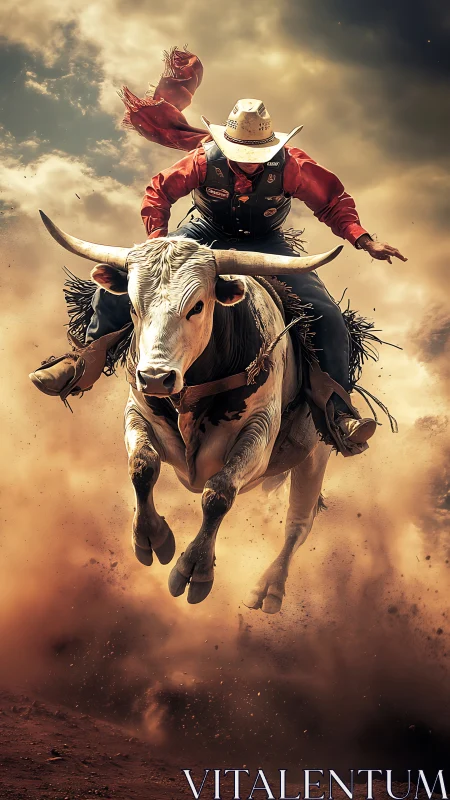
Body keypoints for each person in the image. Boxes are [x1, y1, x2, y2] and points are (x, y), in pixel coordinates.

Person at [30, 98, 406, 452]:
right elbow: (158, 192)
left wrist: (364, 240)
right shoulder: (203, 159)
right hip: (201, 234)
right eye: (241, 154)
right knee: (126, 282)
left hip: (265, 242)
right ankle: (81, 362)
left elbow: (332, 201)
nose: (248, 163)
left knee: (324, 313)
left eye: (256, 155)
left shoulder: (292, 165)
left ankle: (338, 411)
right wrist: (160, 251)